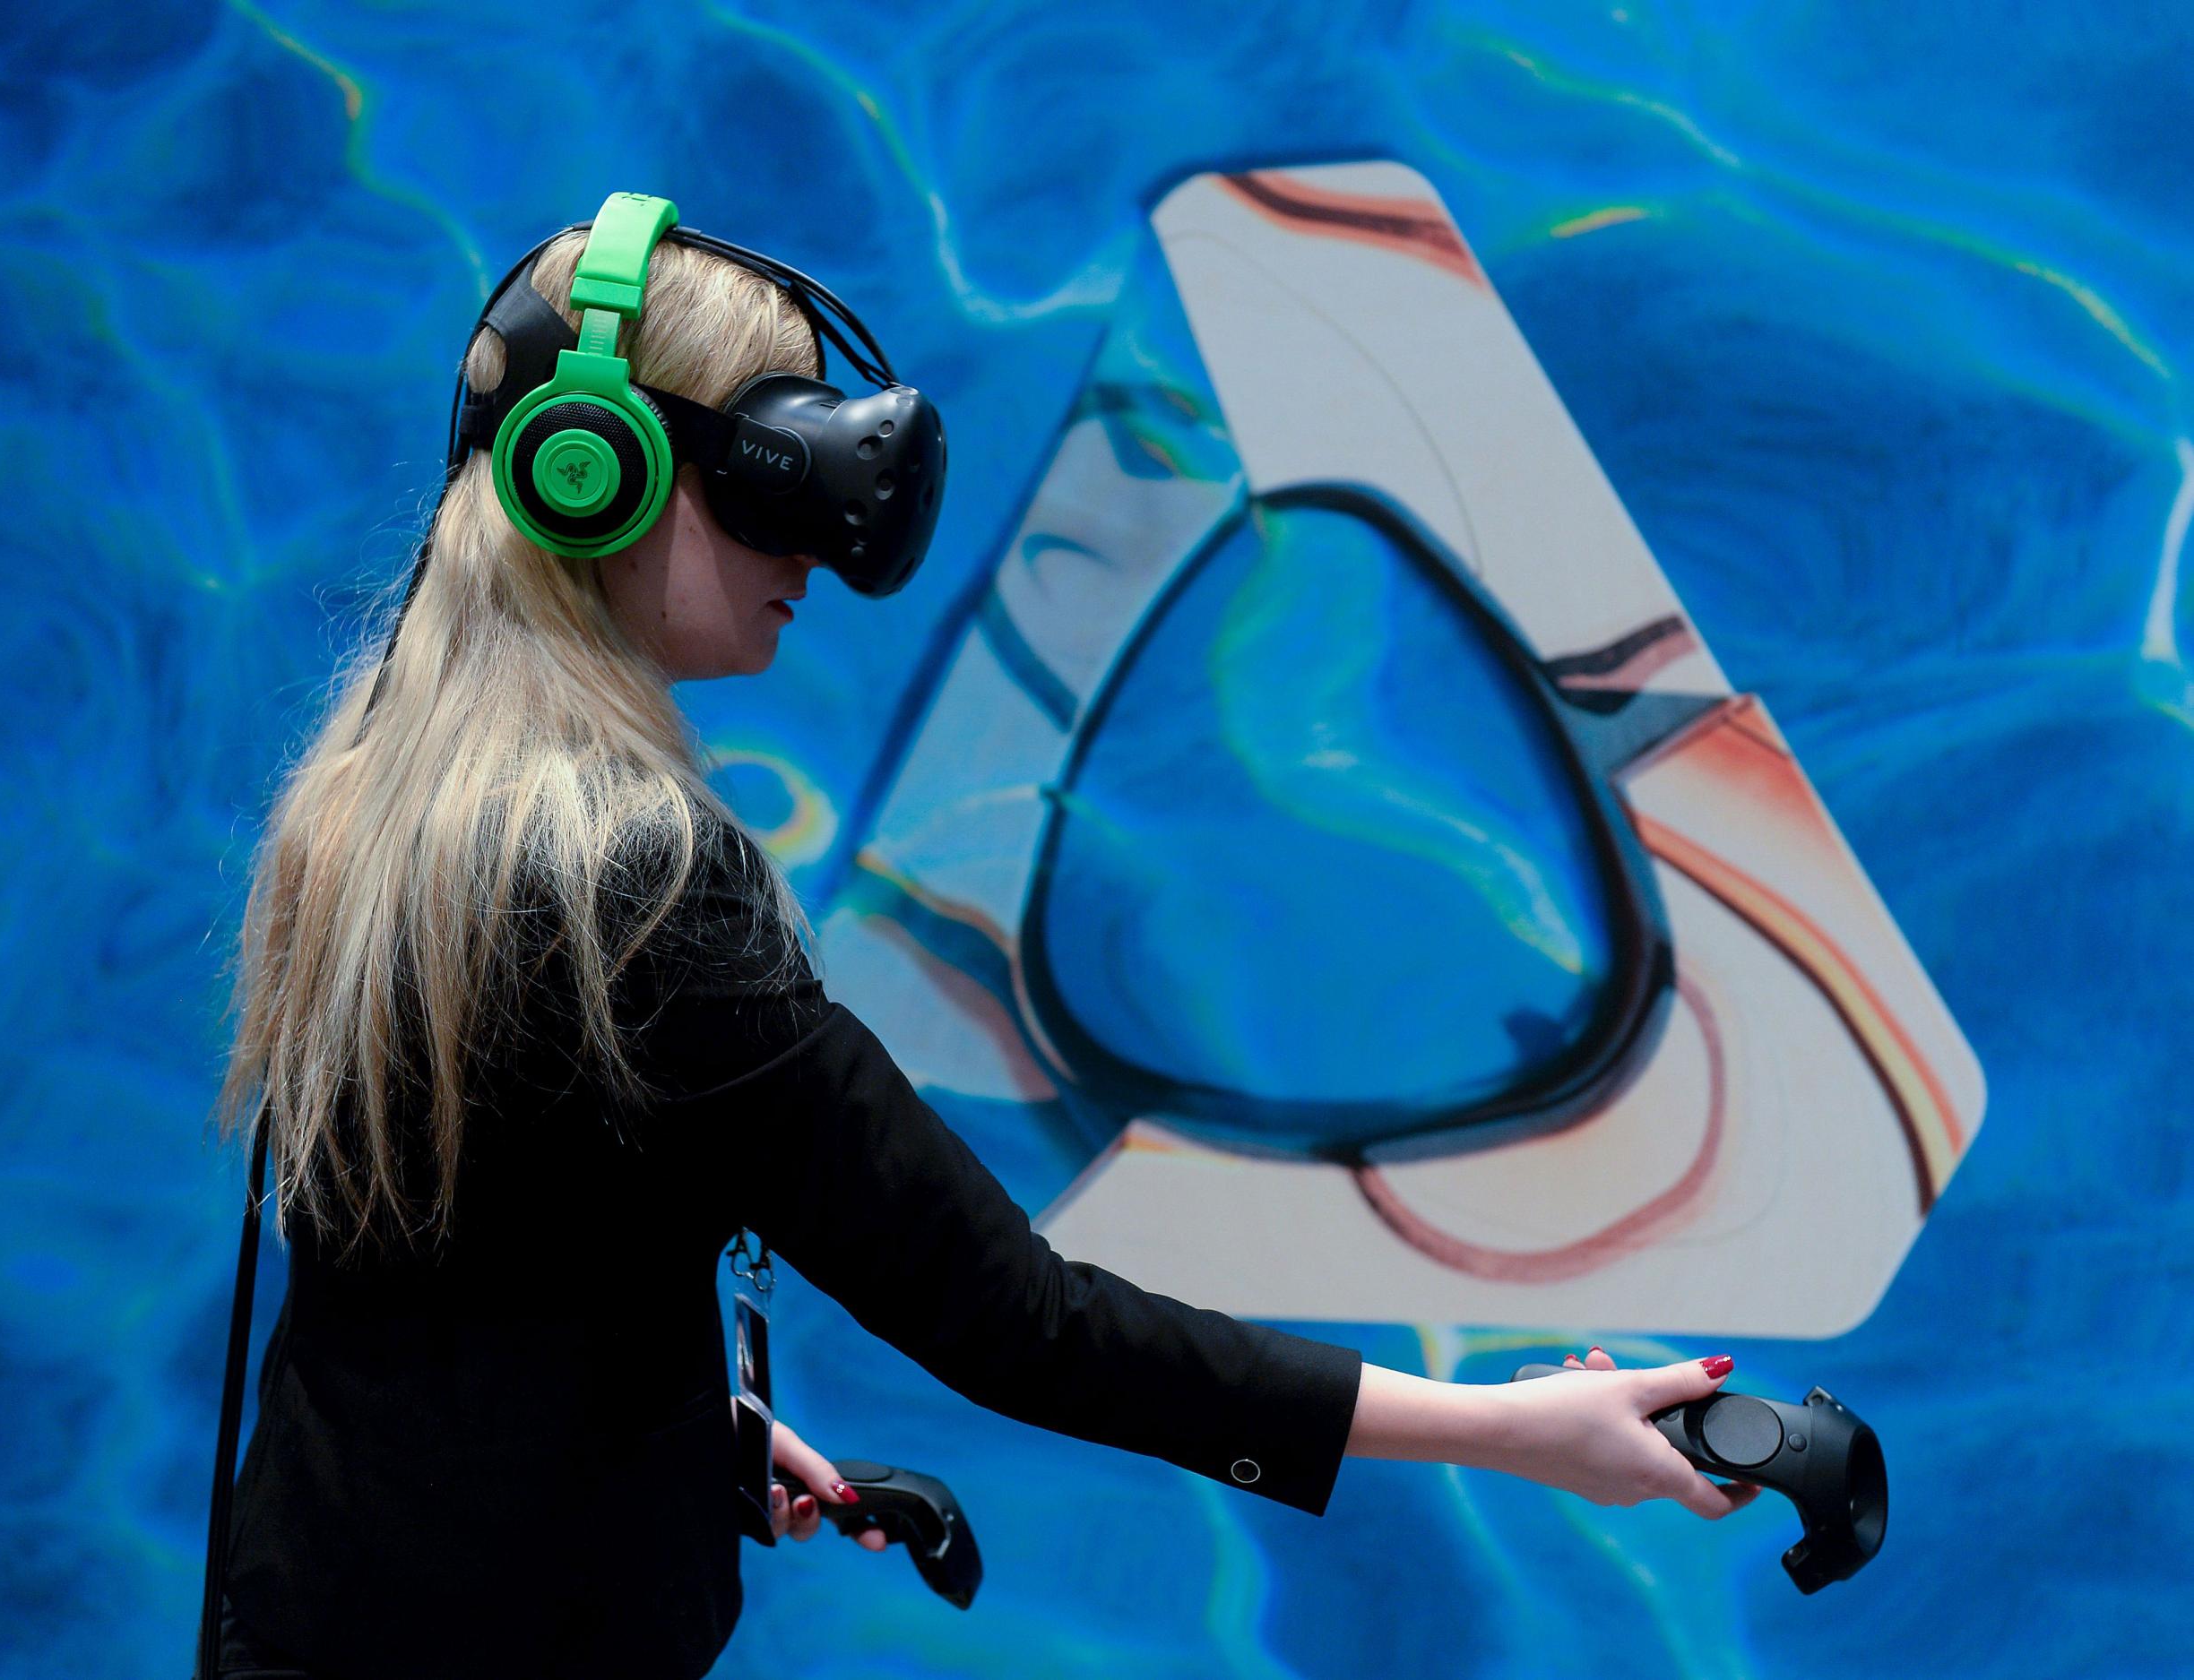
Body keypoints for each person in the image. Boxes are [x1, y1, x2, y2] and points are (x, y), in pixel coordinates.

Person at [201, 223, 1760, 1680]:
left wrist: (699, 1427)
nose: (814, 542)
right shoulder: (640, 889)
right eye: (768, 467)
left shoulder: (366, 807)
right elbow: (1021, 1322)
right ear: (588, 473)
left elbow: (472, 1266)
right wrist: (1514, 1430)